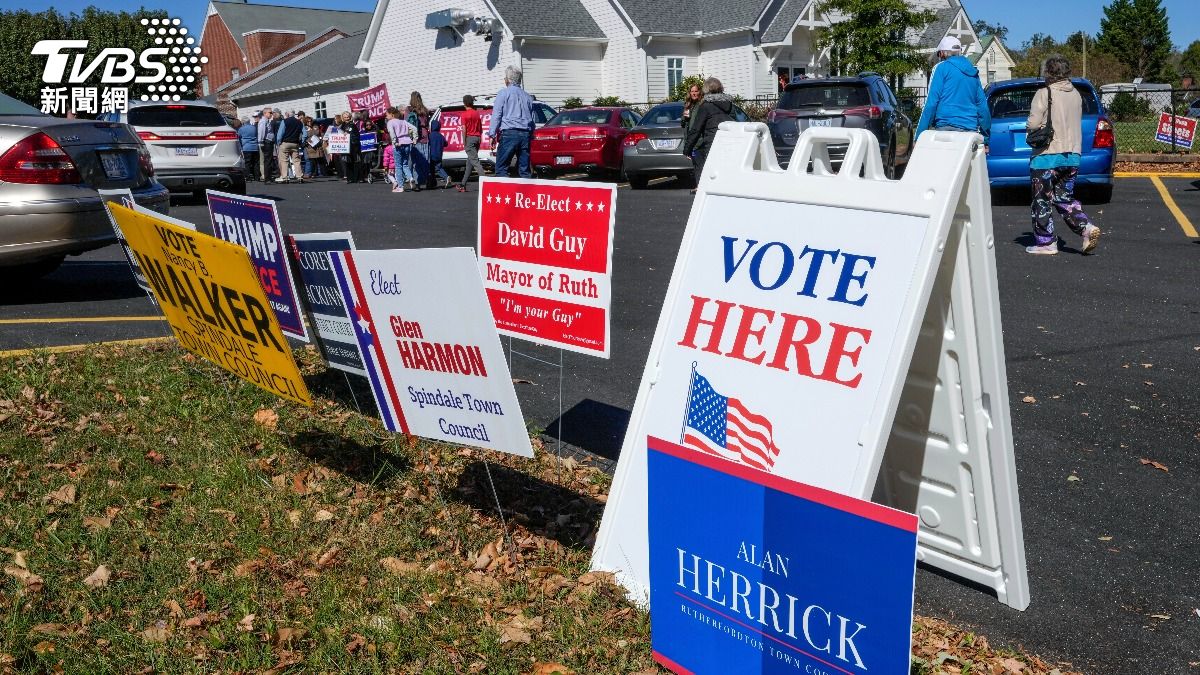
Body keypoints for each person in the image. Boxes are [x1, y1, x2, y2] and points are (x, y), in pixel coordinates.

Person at [1025, 55, 1101, 255]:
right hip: (1072, 156)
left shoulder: (1044, 93)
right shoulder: (1076, 94)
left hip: (1046, 156)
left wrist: (1030, 128)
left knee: (1041, 201)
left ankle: (1046, 242)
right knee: (1064, 198)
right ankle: (1085, 228)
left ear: (1048, 72)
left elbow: (1033, 124)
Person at [915, 37, 990, 146]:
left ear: (942, 53)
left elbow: (931, 103)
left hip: (945, 129)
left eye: (939, 55)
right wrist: (986, 138)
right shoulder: (973, 72)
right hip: (969, 131)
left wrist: (919, 136)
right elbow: (983, 107)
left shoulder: (941, 68)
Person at [682, 77, 736, 188]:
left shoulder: (705, 106)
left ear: (706, 89)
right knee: (725, 170)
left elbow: (696, 129)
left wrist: (687, 148)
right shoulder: (729, 104)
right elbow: (735, 122)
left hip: (711, 143)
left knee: (711, 170)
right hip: (728, 142)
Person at [488, 65, 535, 178]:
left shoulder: (503, 93)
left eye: (505, 77)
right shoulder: (527, 96)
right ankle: (525, 194)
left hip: (509, 133)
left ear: (508, 79)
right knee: (524, 169)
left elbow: (497, 115)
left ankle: (505, 193)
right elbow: (532, 119)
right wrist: (531, 134)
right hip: (525, 134)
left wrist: (492, 134)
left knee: (501, 167)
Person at [456, 94, 486, 192]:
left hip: (469, 138)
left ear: (464, 103)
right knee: (470, 163)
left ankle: (487, 182)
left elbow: (464, 129)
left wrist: (464, 141)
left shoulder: (464, 114)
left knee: (475, 162)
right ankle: (463, 184)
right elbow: (480, 128)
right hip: (477, 138)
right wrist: (480, 138)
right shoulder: (476, 113)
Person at [386, 106, 416, 192]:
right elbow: (414, 128)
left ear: (392, 115)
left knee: (398, 166)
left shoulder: (390, 122)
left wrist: (395, 142)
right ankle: (410, 178)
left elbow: (392, 133)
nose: (386, 116)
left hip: (398, 145)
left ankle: (400, 186)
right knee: (405, 164)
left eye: (387, 114)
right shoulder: (403, 121)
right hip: (407, 143)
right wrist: (414, 139)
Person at [407, 92, 431, 190]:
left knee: (415, 161)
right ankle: (427, 178)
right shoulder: (425, 110)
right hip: (425, 136)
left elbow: (406, 124)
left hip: (414, 137)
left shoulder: (409, 110)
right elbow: (427, 123)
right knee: (425, 160)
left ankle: (417, 183)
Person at [275, 110, 304, 183]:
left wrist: (279, 142)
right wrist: (301, 142)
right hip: (295, 143)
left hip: (285, 143)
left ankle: (285, 178)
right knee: (296, 160)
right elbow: (305, 134)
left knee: (284, 161)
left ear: (288, 114)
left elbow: (280, 133)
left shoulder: (285, 121)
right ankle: (300, 177)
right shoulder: (299, 122)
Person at [337, 112, 361, 183]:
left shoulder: (352, 125)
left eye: (348, 117)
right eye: (345, 117)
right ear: (343, 118)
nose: (347, 118)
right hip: (345, 146)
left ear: (350, 117)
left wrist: (348, 135)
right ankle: (349, 178)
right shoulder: (342, 126)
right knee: (347, 162)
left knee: (354, 162)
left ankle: (356, 178)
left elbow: (356, 136)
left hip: (353, 146)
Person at [428, 117, 451, 189]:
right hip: (439, 155)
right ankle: (445, 177)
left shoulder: (430, 136)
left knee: (431, 169)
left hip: (431, 155)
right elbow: (446, 144)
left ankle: (443, 178)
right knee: (439, 168)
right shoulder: (441, 136)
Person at [238, 115, 260, 182]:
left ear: (243, 122)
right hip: (255, 147)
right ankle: (257, 177)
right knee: (255, 163)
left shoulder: (241, 129)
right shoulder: (254, 128)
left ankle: (248, 178)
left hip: (246, 147)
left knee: (247, 163)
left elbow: (238, 137)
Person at [257, 107, 275, 182]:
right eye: (270, 112)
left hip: (269, 142)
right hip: (266, 142)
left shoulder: (267, 121)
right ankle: (267, 178)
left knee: (269, 160)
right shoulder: (263, 121)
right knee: (267, 161)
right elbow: (261, 132)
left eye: (272, 112)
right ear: (265, 113)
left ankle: (269, 177)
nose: (271, 114)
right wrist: (261, 142)